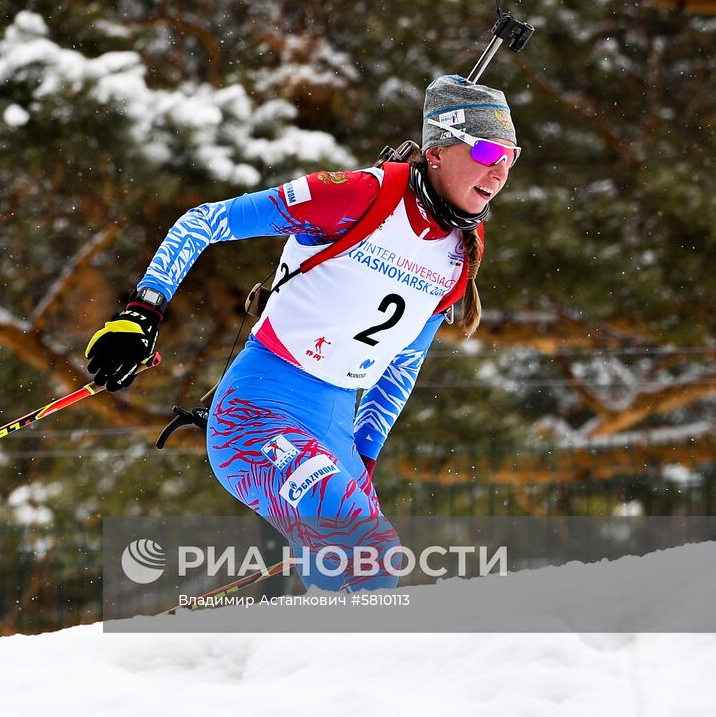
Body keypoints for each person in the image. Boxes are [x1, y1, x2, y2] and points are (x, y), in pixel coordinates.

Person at [85, 74, 520, 591]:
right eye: (488, 150)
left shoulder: (462, 249)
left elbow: (402, 365)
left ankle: (297, 664)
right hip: (257, 415)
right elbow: (203, 222)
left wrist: (360, 461)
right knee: (373, 562)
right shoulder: (360, 196)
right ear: (438, 150)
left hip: (335, 429)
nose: (499, 171)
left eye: (512, 157)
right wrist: (141, 313)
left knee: (364, 576)